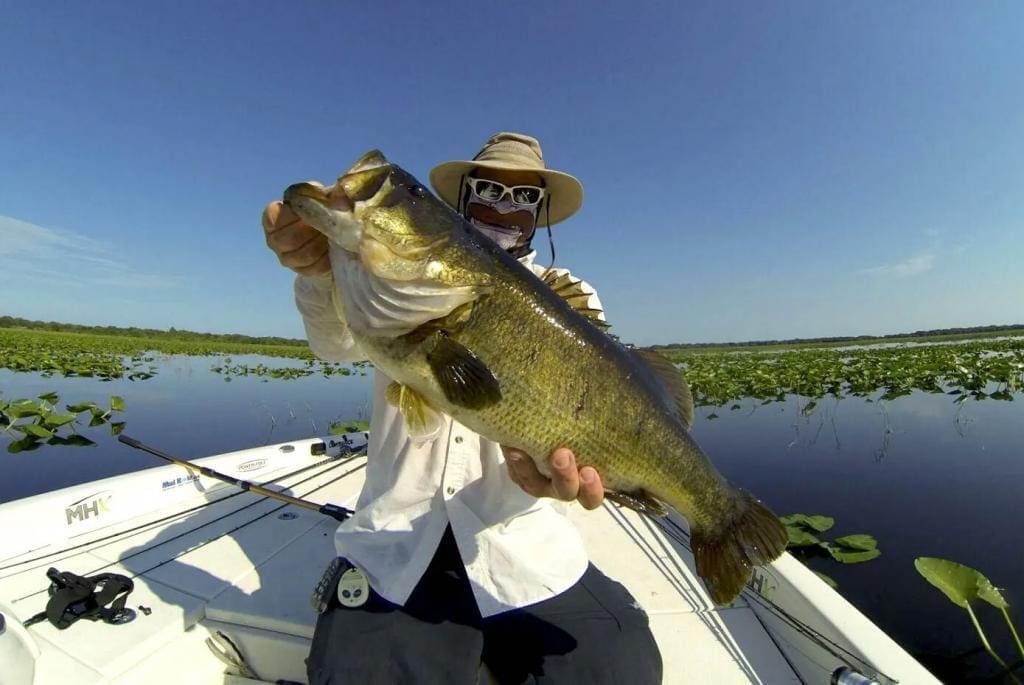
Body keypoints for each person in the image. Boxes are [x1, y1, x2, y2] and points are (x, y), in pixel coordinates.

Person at [262, 132, 662, 684]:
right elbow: (333, 341)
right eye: (489, 188)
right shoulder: (376, 279)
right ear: (461, 197)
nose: (504, 204)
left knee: (620, 670)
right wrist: (317, 272)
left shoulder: (569, 296)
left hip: (520, 546)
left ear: (540, 215)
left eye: (525, 198)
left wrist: (575, 472)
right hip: (398, 544)